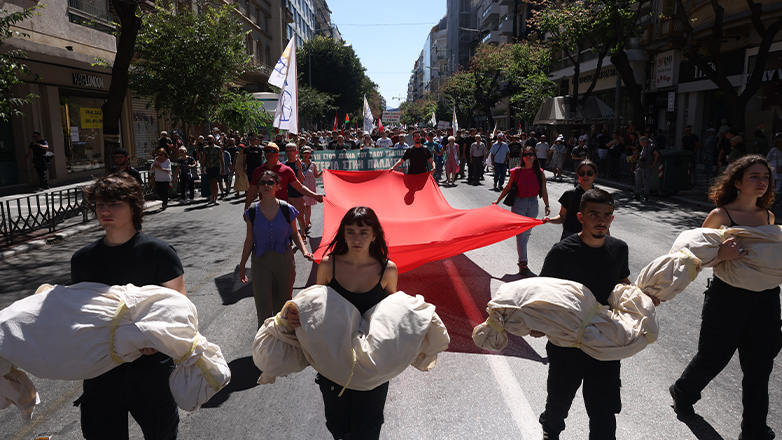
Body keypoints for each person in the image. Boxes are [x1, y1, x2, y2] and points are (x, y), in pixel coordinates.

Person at [670, 155, 780, 440]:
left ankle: (754, 429)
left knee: (759, 366)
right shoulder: (721, 216)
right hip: (728, 299)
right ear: (737, 182)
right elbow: (694, 258)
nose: (761, 182)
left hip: (766, 300)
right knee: (713, 357)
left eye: (765, 177)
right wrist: (722, 255)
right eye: (754, 176)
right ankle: (683, 392)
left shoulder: (768, 216)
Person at [71, 173, 186, 440]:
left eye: (115, 204)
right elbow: (79, 314)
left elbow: (178, 310)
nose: (105, 210)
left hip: (151, 372)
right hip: (101, 373)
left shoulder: (159, 253)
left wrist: (155, 339)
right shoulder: (83, 259)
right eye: (100, 204)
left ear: (134, 207)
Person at [284, 206, 399, 440]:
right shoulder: (328, 265)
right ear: (343, 234)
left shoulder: (387, 270)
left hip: (371, 367)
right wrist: (295, 315)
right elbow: (316, 309)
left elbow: (391, 316)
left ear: (375, 234)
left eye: (363, 232)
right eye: (351, 232)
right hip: (333, 362)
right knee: (339, 428)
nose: (356, 238)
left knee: (368, 428)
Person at [535, 188, 632, 440]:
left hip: (604, 338)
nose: (601, 220)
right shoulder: (562, 252)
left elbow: (622, 280)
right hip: (567, 342)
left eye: (607, 215)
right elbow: (542, 291)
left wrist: (637, 301)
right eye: (594, 215)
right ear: (580, 217)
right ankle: (551, 428)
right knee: (559, 400)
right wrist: (538, 323)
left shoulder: (619, 248)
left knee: (603, 411)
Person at [238, 170, 312, 328]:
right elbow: (249, 239)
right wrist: (243, 264)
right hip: (260, 263)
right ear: (258, 187)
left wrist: (305, 251)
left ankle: (283, 344)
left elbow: (295, 233)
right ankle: (264, 346)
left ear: (278, 186)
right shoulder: (252, 211)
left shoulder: (287, 209)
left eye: (270, 182)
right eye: (262, 183)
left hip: (284, 262)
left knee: (283, 306)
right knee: (263, 307)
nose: (266, 185)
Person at [493, 146, 550, 277]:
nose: (528, 156)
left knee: (526, 233)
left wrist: (547, 205)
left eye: (531, 154)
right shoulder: (516, 171)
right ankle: (523, 262)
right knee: (522, 233)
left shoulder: (539, 172)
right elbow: (508, 187)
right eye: (525, 154)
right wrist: (498, 201)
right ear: (522, 157)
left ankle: (522, 259)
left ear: (535, 156)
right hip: (519, 203)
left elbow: (544, 190)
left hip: (533, 204)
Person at [244, 142, 323, 210]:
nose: (269, 153)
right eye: (267, 151)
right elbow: (251, 191)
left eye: (272, 151)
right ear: (264, 154)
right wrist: (246, 209)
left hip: (282, 210)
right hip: (264, 209)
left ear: (277, 154)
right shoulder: (258, 171)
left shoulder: (286, 170)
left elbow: (300, 187)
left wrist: (315, 196)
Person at [544, 160, 598, 240]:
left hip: (593, 238)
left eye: (589, 173)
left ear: (595, 175)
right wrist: (549, 220)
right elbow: (562, 217)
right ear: (577, 175)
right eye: (581, 173)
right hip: (571, 237)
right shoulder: (569, 194)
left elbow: (604, 223)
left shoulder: (600, 196)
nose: (585, 176)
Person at [284, 142, 307, 236]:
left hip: (298, 194)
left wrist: (299, 167)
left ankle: (303, 234)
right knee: (286, 217)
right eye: (287, 151)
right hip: (286, 195)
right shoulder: (283, 165)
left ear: (296, 152)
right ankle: (289, 235)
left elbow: (301, 179)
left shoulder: (301, 164)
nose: (289, 153)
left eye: (292, 151)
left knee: (300, 217)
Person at [300, 146, 322, 235]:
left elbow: (316, 176)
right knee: (301, 205)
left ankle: (307, 222)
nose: (306, 155)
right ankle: (302, 222)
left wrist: (322, 173)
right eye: (304, 153)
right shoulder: (298, 163)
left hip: (310, 186)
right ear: (301, 154)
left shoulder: (313, 164)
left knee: (308, 205)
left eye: (308, 153)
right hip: (301, 186)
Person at [633, 136, 659, 202]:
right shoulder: (643, 148)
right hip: (640, 166)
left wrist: (653, 164)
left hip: (647, 167)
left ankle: (646, 195)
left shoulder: (651, 146)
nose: (640, 144)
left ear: (644, 142)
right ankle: (637, 194)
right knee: (638, 181)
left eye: (641, 142)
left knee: (646, 181)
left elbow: (656, 154)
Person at [201, 135, 224, 205]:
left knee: (215, 182)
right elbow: (204, 159)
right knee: (211, 183)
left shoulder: (218, 148)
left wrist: (223, 168)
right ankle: (212, 197)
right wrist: (202, 168)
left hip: (215, 167)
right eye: (208, 139)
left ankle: (216, 198)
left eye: (210, 139)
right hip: (208, 167)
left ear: (213, 139)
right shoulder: (205, 148)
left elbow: (221, 159)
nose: (209, 140)